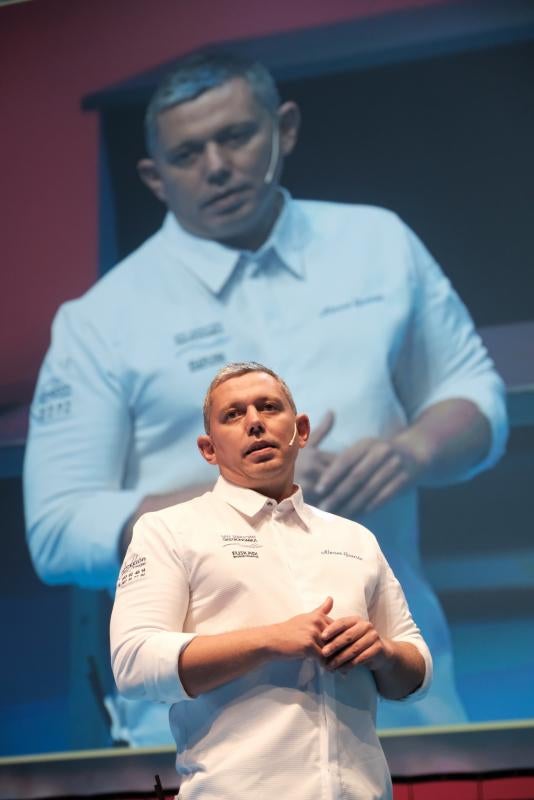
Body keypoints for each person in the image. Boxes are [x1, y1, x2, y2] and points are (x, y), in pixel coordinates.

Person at [23, 50, 508, 744]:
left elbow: (474, 393)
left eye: (238, 136)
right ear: (154, 178)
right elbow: (58, 530)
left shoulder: (377, 242)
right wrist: (251, 493)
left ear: (285, 128)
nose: (217, 165)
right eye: (189, 152)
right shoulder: (101, 320)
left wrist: (411, 451)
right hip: (200, 727)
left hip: (398, 700)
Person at [110, 361, 433, 800]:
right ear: (208, 449)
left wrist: (383, 652)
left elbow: (416, 673)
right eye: (233, 415)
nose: (255, 423)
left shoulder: (354, 537)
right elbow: (134, 662)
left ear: (300, 430)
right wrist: (269, 640)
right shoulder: (168, 530)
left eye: (268, 408)